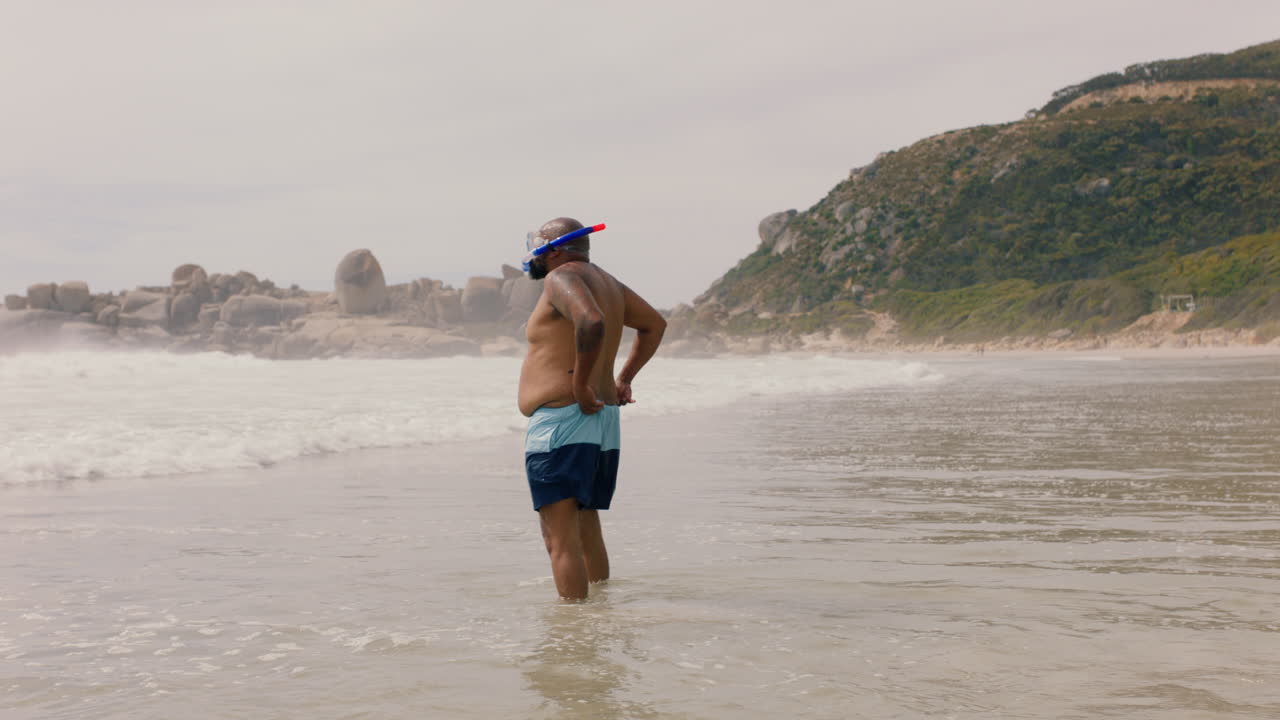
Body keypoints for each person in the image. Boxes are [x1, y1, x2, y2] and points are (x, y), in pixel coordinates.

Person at [517, 217, 666, 600]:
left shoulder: (560, 277)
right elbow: (654, 324)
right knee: (586, 528)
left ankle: (576, 640)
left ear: (553, 249)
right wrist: (624, 378)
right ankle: (599, 615)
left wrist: (580, 384)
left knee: (559, 539)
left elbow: (590, 320)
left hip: (565, 419)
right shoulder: (608, 283)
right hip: (599, 420)